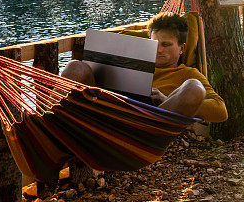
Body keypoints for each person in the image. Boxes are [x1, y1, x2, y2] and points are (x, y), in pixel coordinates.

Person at [61, 12, 227, 123]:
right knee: (76, 67)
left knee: (194, 88)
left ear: (181, 49)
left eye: (166, 44)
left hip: (148, 126)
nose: (159, 49)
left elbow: (220, 111)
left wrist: (168, 99)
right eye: (154, 43)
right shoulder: (131, 62)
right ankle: (56, 121)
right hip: (105, 117)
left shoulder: (187, 73)